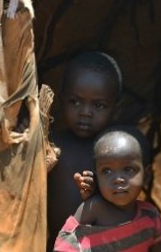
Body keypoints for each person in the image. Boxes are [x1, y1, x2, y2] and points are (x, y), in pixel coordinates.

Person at [47, 51, 123, 248]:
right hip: (56, 245)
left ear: (116, 107)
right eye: (75, 101)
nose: (85, 112)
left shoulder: (115, 152)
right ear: (62, 98)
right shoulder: (51, 143)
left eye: (98, 105)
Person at [54, 126, 161, 251]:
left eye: (128, 169)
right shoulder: (93, 208)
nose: (117, 179)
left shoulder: (150, 215)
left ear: (146, 176)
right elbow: (66, 242)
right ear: (97, 178)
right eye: (106, 171)